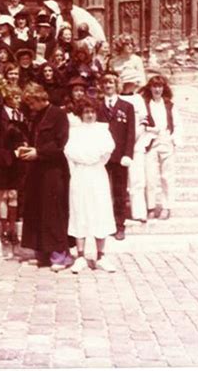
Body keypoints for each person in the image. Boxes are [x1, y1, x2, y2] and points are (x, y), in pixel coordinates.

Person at [19, 83, 72, 272]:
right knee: (37, 210)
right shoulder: (36, 116)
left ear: (41, 98)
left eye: (32, 103)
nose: (30, 107)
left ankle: (60, 254)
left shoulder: (58, 114)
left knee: (53, 212)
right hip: (37, 171)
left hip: (53, 170)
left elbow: (61, 143)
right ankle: (42, 252)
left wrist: (38, 153)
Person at [65, 94, 117, 274]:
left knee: (100, 210)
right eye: (86, 112)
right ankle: (80, 256)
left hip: (97, 173)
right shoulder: (74, 131)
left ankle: (101, 255)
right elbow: (71, 152)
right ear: (80, 113)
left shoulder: (103, 130)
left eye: (92, 111)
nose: (89, 115)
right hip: (80, 174)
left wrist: (92, 158)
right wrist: (85, 159)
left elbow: (106, 152)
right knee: (80, 211)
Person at [96, 73, 136, 241]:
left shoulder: (126, 106)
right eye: (105, 82)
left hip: (120, 156)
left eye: (111, 82)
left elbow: (130, 133)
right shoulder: (97, 107)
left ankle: (120, 224)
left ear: (117, 85)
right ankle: (104, 224)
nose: (108, 85)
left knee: (119, 191)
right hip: (102, 157)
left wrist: (127, 154)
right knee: (102, 191)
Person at [0, 86, 28, 246]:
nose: (18, 101)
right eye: (15, 97)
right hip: (3, 159)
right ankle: (4, 230)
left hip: (17, 159)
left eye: (19, 98)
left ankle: (13, 229)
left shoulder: (21, 115)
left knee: (14, 194)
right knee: (3, 195)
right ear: (8, 98)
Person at [140, 74, 183, 220]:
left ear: (164, 88)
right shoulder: (145, 104)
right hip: (151, 142)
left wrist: (172, 138)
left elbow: (177, 125)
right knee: (150, 177)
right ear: (150, 88)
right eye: (154, 86)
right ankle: (151, 207)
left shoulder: (169, 105)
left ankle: (166, 207)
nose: (157, 89)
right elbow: (142, 123)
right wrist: (149, 131)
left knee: (167, 176)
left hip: (166, 140)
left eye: (160, 86)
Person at [119, 69, 148, 222]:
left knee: (137, 179)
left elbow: (144, 120)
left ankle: (139, 212)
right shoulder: (117, 99)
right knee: (119, 181)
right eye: (130, 82)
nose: (133, 85)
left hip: (136, 144)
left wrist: (135, 136)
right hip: (120, 145)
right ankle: (120, 213)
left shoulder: (139, 99)